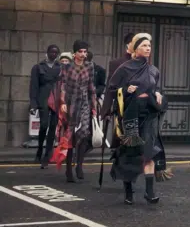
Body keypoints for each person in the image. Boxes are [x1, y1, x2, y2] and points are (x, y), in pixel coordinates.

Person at [102, 33, 169, 205]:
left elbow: (157, 87)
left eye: (149, 46)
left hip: (149, 115)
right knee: (130, 153)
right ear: (135, 49)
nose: (148, 48)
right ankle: (128, 191)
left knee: (149, 151)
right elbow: (112, 88)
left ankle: (149, 191)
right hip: (131, 116)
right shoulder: (124, 68)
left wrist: (159, 93)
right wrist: (125, 89)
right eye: (144, 46)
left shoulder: (154, 70)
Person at [51, 41, 97, 183]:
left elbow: (91, 86)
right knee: (70, 138)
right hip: (70, 104)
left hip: (84, 102)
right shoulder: (66, 67)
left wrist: (94, 106)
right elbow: (63, 85)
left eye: (85, 52)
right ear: (75, 53)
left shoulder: (89, 66)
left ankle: (79, 166)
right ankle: (68, 170)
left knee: (83, 134)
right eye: (80, 51)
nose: (83, 54)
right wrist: (63, 102)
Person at [29, 44, 61, 167]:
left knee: (53, 127)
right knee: (43, 125)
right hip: (43, 98)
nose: (53, 54)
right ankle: (39, 149)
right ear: (47, 53)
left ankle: (47, 156)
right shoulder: (38, 67)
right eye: (51, 52)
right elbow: (33, 87)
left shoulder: (61, 67)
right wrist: (33, 104)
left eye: (55, 52)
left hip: (56, 99)